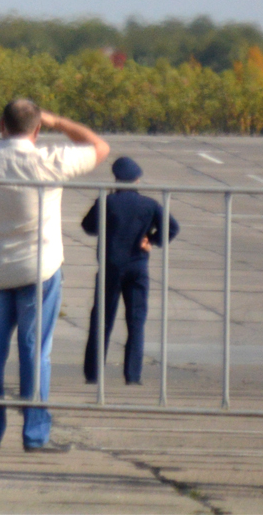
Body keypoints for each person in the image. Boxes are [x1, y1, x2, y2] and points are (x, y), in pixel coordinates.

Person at [0, 99, 108, 453]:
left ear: (0, 125)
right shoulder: (49, 159)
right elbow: (100, 147)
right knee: (35, 351)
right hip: (40, 268)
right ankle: (35, 435)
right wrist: (58, 120)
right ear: (37, 130)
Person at [80, 156, 178, 387]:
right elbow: (172, 228)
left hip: (111, 267)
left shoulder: (107, 202)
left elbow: (88, 226)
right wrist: (152, 240)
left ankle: (94, 374)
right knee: (136, 322)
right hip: (137, 267)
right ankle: (133, 376)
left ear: (116, 178)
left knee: (102, 321)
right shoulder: (149, 205)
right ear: (137, 179)